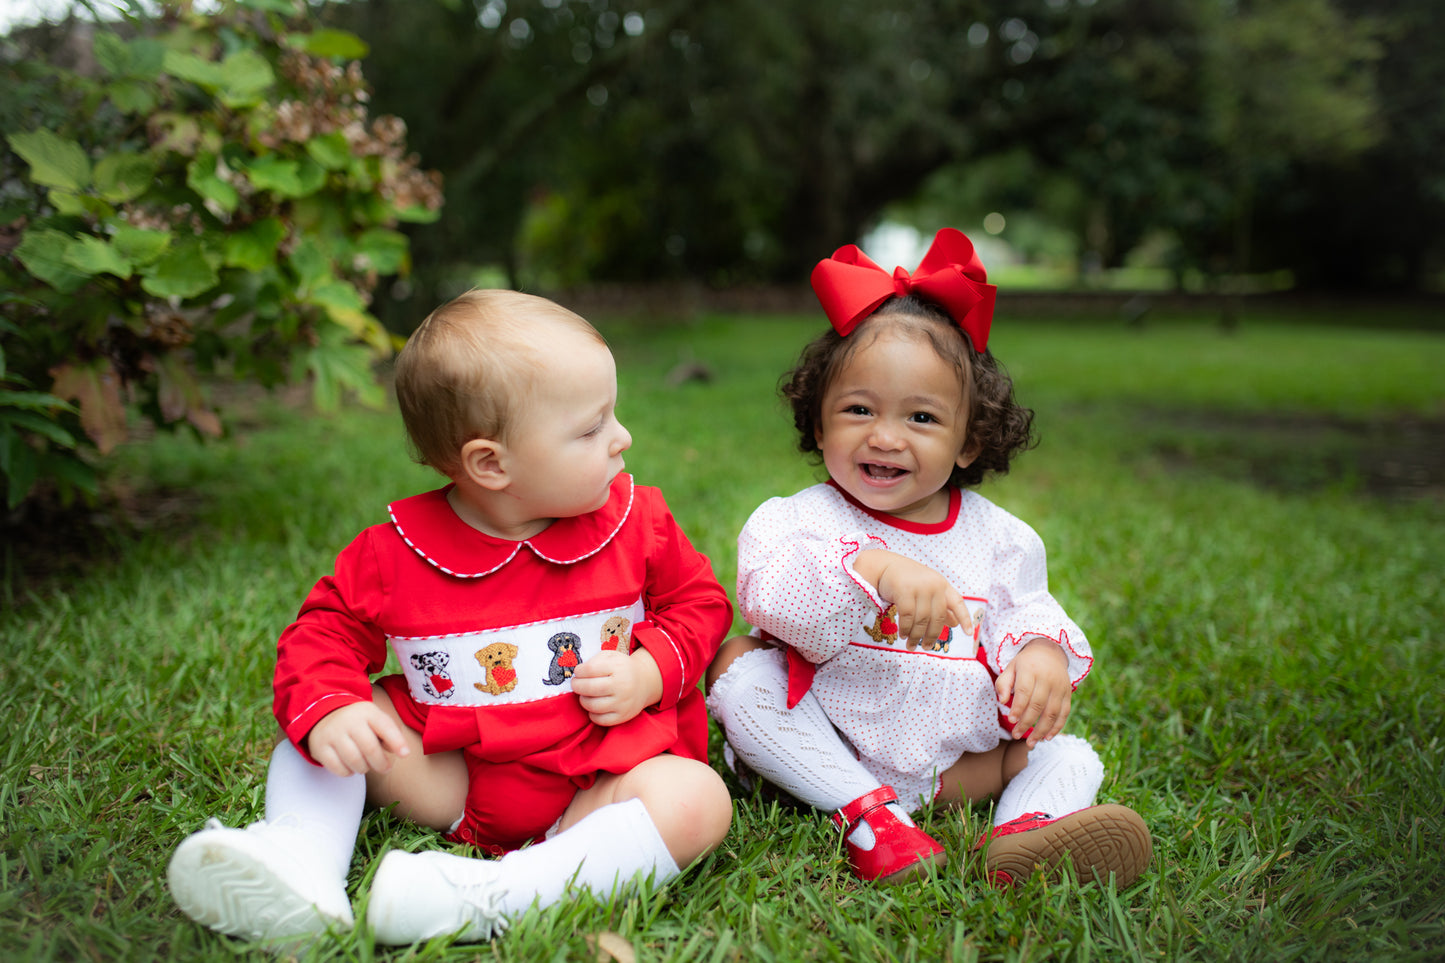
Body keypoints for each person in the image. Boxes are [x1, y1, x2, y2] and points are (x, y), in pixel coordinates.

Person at [167, 290, 734, 947]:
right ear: (490, 463)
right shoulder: (394, 552)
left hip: (601, 777)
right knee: (332, 723)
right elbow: (322, 630)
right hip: (450, 772)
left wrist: (648, 670)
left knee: (696, 799)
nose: (621, 437)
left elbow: (700, 603)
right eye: (590, 427)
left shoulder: (637, 520)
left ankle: (499, 894)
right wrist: (332, 708)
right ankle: (300, 855)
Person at [705, 229, 1151, 889]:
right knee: (740, 673)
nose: (884, 435)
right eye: (857, 409)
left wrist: (1038, 652)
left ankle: (1025, 835)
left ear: (969, 441)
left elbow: (1026, 609)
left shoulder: (999, 538)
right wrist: (876, 569)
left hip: (954, 768)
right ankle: (865, 817)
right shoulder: (797, 519)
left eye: (920, 418)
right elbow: (775, 598)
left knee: (1065, 753)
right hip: (828, 742)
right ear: (819, 422)